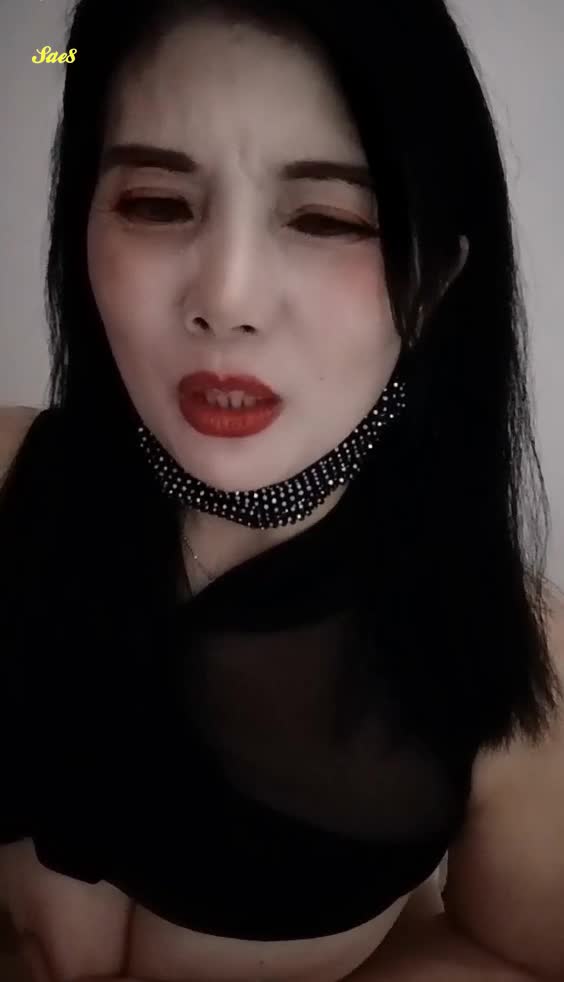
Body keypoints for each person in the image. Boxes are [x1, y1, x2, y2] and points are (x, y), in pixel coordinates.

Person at [0, 0, 563, 980]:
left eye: (326, 218)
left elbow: (509, 950)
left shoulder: (510, 658)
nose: (226, 298)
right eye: (156, 203)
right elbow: (57, 49)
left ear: (435, 279)